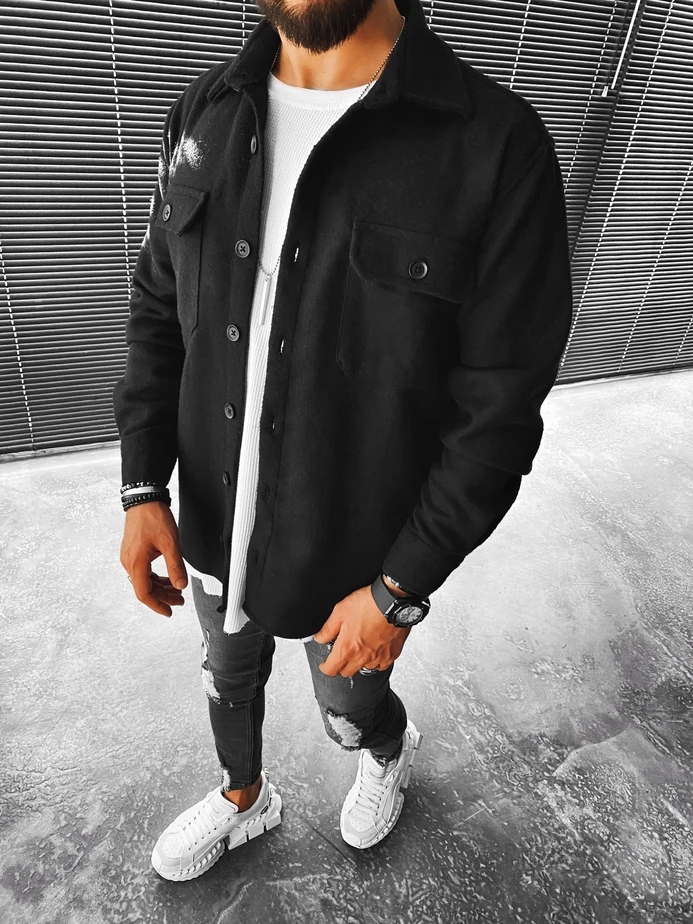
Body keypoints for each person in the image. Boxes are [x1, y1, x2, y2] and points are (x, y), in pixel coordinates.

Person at [113, 0, 573, 883]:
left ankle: (387, 753)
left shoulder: (494, 146)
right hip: (209, 525)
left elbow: (498, 410)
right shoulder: (204, 112)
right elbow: (158, 311)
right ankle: (245, 798)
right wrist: (142, 486)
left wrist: (399, 590)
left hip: (354, 563)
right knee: (225, 676)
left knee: (349, 707)